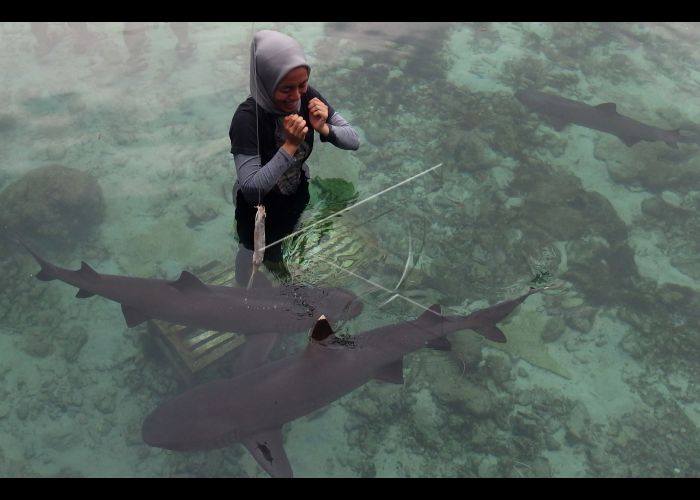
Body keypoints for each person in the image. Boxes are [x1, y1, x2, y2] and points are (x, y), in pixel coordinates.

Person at [229, 30, 360, 286]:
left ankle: (279, 268)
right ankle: (244, 291)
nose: (296, 96)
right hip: (257, 209)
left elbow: (353, 140)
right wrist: (289, 146)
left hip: (297, 190)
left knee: (284, 238)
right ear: (265, 82)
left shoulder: (309, 97)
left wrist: (325, 128)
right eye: (286, 88)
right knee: (250, 250)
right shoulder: (246, 120)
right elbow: (251, 189)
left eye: (302, 84)